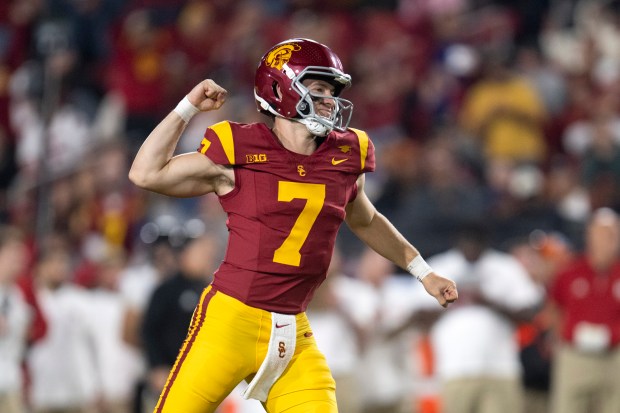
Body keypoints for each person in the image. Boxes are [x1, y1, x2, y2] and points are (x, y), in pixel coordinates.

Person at [128, 38, 458, 413]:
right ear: (280, 90)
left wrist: (423, 271)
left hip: (293, 330)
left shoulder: (345, 155)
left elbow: (366, 220)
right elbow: (144, 173)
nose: (330, 100)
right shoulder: (239, 149)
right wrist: (187, 108)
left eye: (332, 91)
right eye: (317, 89)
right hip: (230, 321)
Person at [548, 207, 620, 413]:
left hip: (614, 356)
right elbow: (553, 307)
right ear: (590, 236)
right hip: (575, 354)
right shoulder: (570, 272)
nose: (607, 240)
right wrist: (560, 334)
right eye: (602, 234)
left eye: (612, 234)